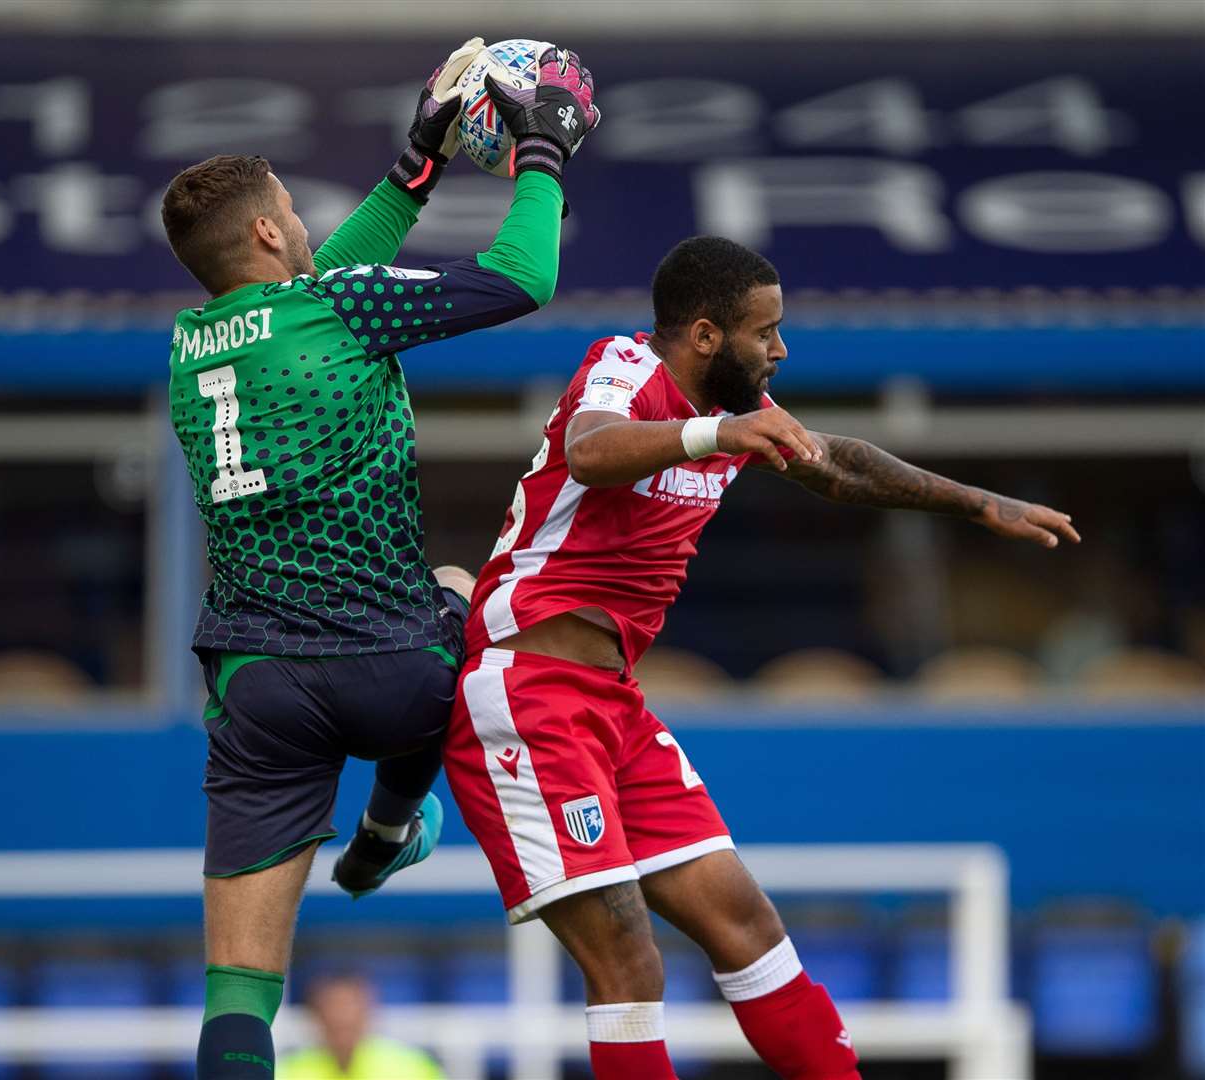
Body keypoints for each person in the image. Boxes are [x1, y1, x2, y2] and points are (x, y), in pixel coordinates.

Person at [443, 236, 1082, 1080]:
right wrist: (719, 432)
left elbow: (840, 467)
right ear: (705, 335)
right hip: (527, 692)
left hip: (612, 706)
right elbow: (591, 450)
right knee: (629, 960)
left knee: (747, 925)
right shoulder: (626, 366)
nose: (780, 349)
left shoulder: (728, 423)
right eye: (765, 332)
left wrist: (979, 503)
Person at [159, 38, 599, 1079]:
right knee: (453, 595)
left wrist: (419, 161)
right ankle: (388, 828)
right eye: (296, 214)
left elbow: (327, 270)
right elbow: (520, 278)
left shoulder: (191, 341)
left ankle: (372, 847)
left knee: (239, 988)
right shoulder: (342, 310)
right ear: (270, 230)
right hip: (391, 667)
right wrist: (540, 151)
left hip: (256, 689)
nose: (312, 226)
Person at [279, 972, 445, 1080]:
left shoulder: (413, 1068)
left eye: (350, 1007)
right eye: (333, 1007)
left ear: (369, 1011)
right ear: (315, 1016)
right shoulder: (287, 1072)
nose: (341, 1017)